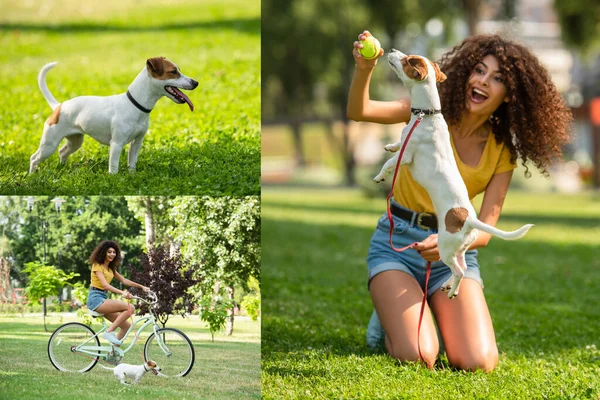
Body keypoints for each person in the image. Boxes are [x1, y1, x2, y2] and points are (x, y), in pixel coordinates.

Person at [348, 31, 571, 371]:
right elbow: (360, 110)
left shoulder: (502, 153)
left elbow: (486, 229)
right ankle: (391, 313)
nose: (483, 81)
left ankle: (423, 303)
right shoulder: (424, 112)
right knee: (419, 355)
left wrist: (449, 242)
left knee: (478, 361)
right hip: (398, 244)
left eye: (497, 78)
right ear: (466, 72)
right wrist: (365, 68)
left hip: (453, 254)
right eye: (479, 70)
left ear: (510, 95)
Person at [86, 240, 149, 345]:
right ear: (103, 252)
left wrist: (142, 287)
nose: (112, 254)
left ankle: (112, 354)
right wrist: (122, 293)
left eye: (114, 252)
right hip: (95, 299)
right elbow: (105, 285)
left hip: (103, 298)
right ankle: (109, 332)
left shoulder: (111, 269)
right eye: (109, 252)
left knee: (126, 327)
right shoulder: (97, 265)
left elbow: (124, 280)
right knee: (130, 308)